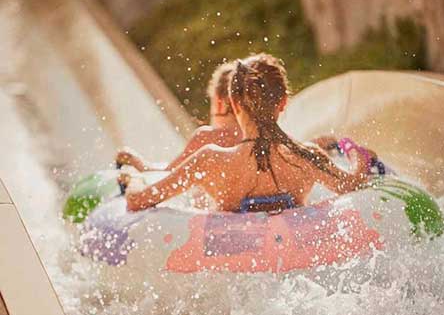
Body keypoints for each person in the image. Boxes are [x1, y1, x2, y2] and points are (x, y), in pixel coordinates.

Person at [123, 54, 372, 213]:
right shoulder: (308, 157)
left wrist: (134, 178)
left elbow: (138, 201)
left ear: (234, 102)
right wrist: (360, 158)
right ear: (283, 103)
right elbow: (354, 185)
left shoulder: (210, 160)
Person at [115, 61, 242, 172]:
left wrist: (139, 163)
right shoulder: (255, 140)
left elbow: (167, 175)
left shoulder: (208, 139)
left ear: (219, 103)